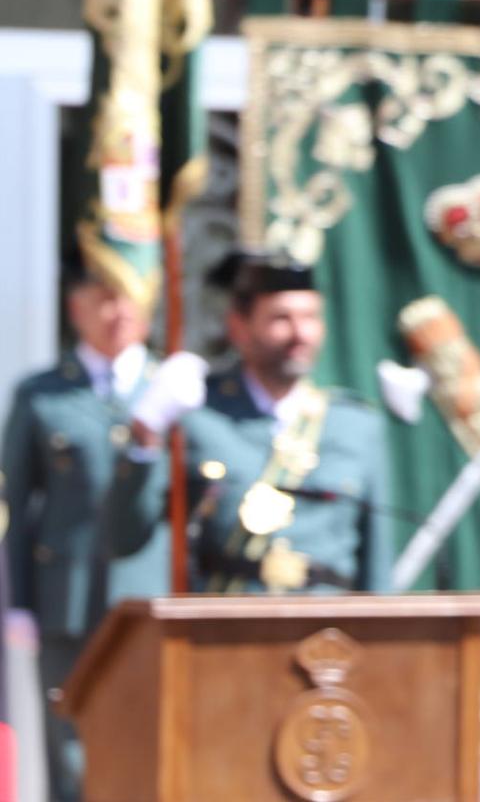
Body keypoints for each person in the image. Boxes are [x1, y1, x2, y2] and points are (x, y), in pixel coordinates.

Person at [103, 252, 393, 594]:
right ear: (239, 327)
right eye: (281, 318)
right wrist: (145, 434)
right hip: (224, 629)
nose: (300, 333)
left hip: (326, 633)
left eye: (310, 317)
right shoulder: (199, 416)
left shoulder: (356, 425)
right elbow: (123, 538)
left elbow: (376, 565)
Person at [1, 263, 164, 802]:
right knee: (72, 752)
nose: (118, 314)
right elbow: (14, 502)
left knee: (154, 744)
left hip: (151, 595)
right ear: (76, 308)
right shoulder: (43, 394)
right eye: (103, 299)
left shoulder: (172, 388)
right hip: (65, 599)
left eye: (129, 298)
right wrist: (19, 600)